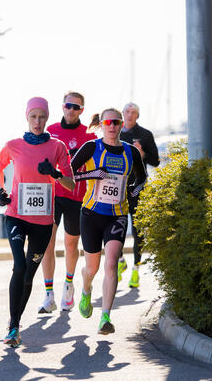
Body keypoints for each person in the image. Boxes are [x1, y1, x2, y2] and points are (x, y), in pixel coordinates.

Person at [0, 97, 75, 348]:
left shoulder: (57, 146)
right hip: (16, 215)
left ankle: (15, 322)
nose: (37, 122)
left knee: (28, 274)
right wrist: (1, 190)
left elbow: (71, 185)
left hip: (42, 222)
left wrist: (55, 174)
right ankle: (14, 326)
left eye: (42, 117)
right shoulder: (13, 145)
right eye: (33, 117)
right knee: (19, 265)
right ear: (26, 117)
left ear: (47, 118)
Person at [70, 108, 147, 334]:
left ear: (122, 125)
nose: (112, 126)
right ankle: (85, 290)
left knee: (111, 262)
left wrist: (134, 190)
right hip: (91, 213)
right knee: (91, 268)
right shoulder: (92, 147)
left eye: (116, 122)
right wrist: (93, 175)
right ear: (102, 124)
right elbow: (69, 173)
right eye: (108, 122)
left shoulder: (130, 152)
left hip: (117, 214)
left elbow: (142, 179)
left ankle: (105, 317)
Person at [39, 91, 97, 313]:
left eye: (76, 107)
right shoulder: (51, 131)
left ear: (82, 110)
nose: (71, 110)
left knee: (71, 244)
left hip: (76, 196)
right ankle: (48, 294)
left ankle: (68, 285)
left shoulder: (89, 135)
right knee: (48, 243)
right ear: (62, 107)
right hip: (53, 195)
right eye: (68, 106)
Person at [118, 102, 159, 288]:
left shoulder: (145, 134)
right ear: (122, 114)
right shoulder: (116, 132)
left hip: (138, 186)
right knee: (115, 225)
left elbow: (156, 162)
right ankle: (120, 262)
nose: (129, 114)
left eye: (133, 112)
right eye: (127, 111)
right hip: (118, 186)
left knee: (137, 229)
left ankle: (136, 269)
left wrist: (142, 153)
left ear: (137, 115)